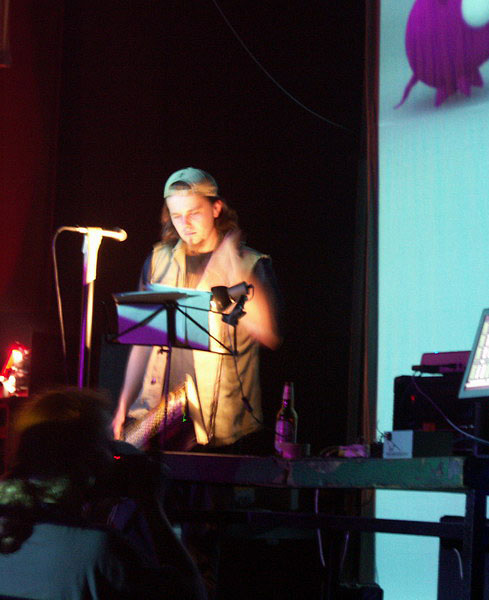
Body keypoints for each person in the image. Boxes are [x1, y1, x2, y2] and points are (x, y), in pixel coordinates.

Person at [112, 167, 282, 452]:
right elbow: (143, 342)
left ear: (216, 208)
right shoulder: (158, 260)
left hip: (220, 421)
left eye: (194, 213)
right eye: (176, 215)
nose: (185, 224)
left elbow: (268, 334)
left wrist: (234, 269)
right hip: (161, 413)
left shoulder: (250, 263)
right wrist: (122, 406)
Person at [0, 388, 206, 599]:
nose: (114, 455)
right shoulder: (97, 549)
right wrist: (152, 507)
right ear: (89, 462)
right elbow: (191, 593)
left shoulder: (12, 529)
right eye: (107, 445)